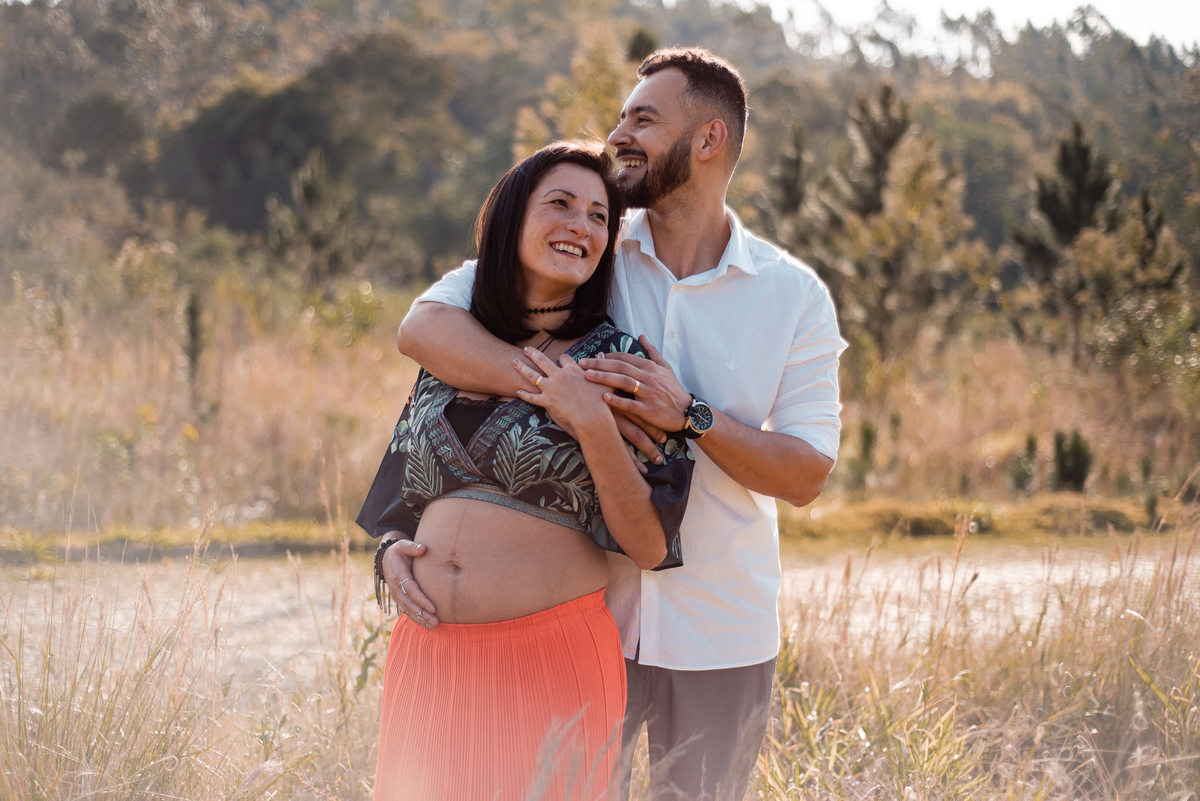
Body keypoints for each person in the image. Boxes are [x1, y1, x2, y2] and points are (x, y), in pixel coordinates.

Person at [393, 48, 845, 801]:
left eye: (643, 118)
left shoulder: (793, 296)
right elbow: (427, 325)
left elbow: (806, 473)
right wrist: (558, 389)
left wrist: (692, 417)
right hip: (577, 620)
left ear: (709, 140)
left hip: (718, 632)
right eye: (621, 117)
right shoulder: (584, 242)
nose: (619, 133)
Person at [356, 140, 695, 801]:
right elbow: (402, 493)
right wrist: (391, 548)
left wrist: (591, 421)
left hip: (550, 660)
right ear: (511, 217)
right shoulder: (455, 346)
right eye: (561, 204)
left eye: (600, 216)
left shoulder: (620, 360)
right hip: (429, 656)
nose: (581, 225)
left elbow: (650, 544)